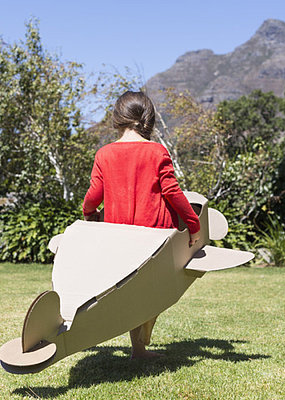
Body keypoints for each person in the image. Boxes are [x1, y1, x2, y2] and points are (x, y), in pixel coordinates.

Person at [82, 90, 201, 359]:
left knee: (131, 292)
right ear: (148, 119)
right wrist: (193, 224)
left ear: (117, 118)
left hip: (119, 239)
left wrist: (89, 213)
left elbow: (93, 195)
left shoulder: (104, 154)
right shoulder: (157, 151)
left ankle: (138, 349)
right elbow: (172, 192)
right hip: (155, 237)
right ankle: (140, 346)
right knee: (152, 293)